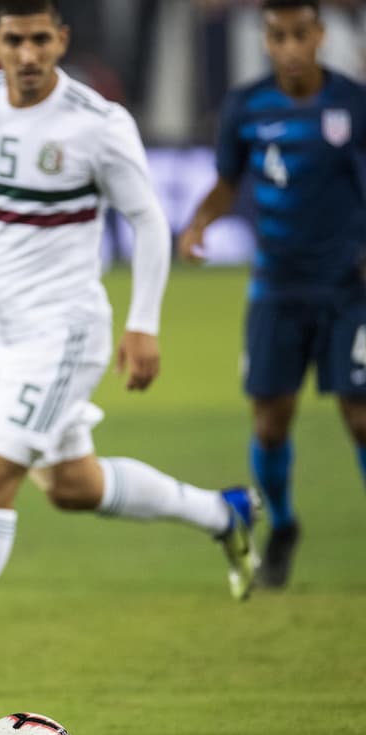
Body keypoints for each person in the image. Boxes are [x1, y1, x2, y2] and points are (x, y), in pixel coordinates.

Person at [0, 0, 261, 696]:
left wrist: (143, 323)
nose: (26, 55)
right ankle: (225, 511)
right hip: (6, 330)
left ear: (61, 40)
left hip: (69, 330)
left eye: (39, 39)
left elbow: (146, 221)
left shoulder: (98, 123)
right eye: (13, 40)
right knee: (73, 485)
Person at [178, 0, 366, 589]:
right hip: (277, 288)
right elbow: (228, 182)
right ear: (266, 39)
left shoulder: (353, 105)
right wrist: (200, 222)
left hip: (348, 289)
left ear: (319, 36)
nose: (288, 46)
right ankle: (283, 524)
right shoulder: (246, 106)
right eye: (277, 36)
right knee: (269, 425)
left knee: (361, 418)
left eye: (299, 35)